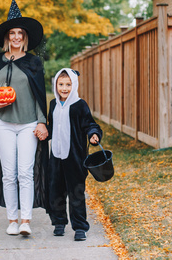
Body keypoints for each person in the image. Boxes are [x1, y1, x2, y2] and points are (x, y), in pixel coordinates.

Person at [0, 0, 49, 236]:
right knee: (8, 173)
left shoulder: (33, 62)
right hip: (3, 124)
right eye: (12, 33)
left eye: (20, 33)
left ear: (25, 37)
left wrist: (42, 121)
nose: (16, 37)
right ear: (7, 37)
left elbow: (40, 94)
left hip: (28, 124)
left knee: (25, 172)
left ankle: (26, 220)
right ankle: (12, 219)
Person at [47, 68, 102, 241]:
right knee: (56, 190)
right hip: (56, 156)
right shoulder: (53, 104)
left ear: (74, 85)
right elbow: (50, 127)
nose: (64, 88)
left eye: (68, 85)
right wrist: (42, 131)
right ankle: (59, 222)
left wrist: (94, 134)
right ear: (56, 85)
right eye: (61, 84)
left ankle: (80, 227)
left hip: (74, 158)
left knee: (76, 192)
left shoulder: (80, 105)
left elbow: (90, 124)